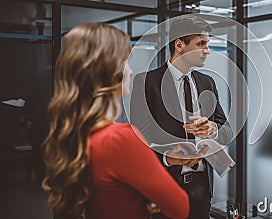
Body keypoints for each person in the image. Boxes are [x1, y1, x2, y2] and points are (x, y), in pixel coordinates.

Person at [41, 22, 189, 219]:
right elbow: (180, 207)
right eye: (125, 61)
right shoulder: (119, 139)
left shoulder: (72, 132)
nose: (130, 71)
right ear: (108, 70)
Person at [131, 14, 234, 219]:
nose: (207, 50)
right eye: (201, 43)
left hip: (202, 187)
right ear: (180, 45)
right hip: (164, 185)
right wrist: (168, 159)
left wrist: (213, 128)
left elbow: (226, 129)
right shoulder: (146, 82)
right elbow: (139, 140)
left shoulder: (208, 82)